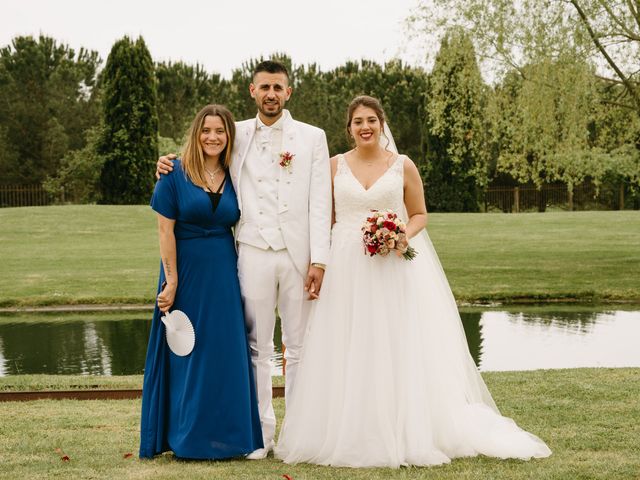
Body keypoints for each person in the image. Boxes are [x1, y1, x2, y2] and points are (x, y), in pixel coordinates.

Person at [275, 95, 552, 467]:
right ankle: (347, 427)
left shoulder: (402, 165)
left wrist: (400, 233)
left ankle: (403, 426)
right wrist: (319, 262)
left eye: (371, 120)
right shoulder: (333, 166)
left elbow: (420, 213)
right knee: (346, 341)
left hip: (391, 265)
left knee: (394, 341)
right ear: (349, 128)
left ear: (382, 123)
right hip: (345, 265)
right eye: (358, 121)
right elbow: (323, 217)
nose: (365, 127)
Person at [156, 60, 332, 459]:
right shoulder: (236, 134)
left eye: (278, 87)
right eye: (264, 87)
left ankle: (297, 434)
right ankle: (261, 434)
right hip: (251, 251)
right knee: (255, 347)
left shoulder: (312, 138)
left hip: (298, 255)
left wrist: (319, 260)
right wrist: (167, 163)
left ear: (289, 92)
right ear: (252, 91)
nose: (271, 93)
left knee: (298, 346)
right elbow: (203, 156)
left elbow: (321, 202)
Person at [140, 104, 263, 460]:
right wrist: (172, 280)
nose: (213, 137)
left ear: (229, 136)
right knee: (187, 352)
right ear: (196, 134)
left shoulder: (236, 173)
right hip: (186, 273)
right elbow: (165, 230)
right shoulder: (174, 172)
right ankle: (188, 438)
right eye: (206, 130)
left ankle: (230, 438)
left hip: (225, 272)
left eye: (220, 131)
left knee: (224, 354)